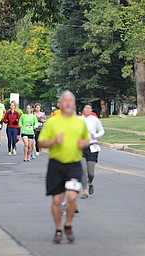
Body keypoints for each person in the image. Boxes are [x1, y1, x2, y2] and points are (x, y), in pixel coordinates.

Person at [38, 91, 89, 244]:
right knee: (57, 200)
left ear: (74, 104)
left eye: (70, 101)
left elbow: (86, 140)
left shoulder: (80, 122)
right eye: (64, 101)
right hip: (56, 164)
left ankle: (68, 225)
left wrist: (83, 143)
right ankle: (58, 229)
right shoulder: (52, 122)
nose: (67, 103)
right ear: (60, 104)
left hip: (74, 164)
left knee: (72, 197)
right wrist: (54, 141)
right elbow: (41, 143)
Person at [79, 103, 104, 199]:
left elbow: (101, 131)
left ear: (91, 110)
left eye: (90, 108)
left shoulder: (95, 120)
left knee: (91, 173)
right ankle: (85, 191)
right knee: (83, 170)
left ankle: (90, 183)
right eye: (86, 107)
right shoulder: (78, 120)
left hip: (92, 146)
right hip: (81, 147)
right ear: (83, 109)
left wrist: (95, 135)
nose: (88, 109)